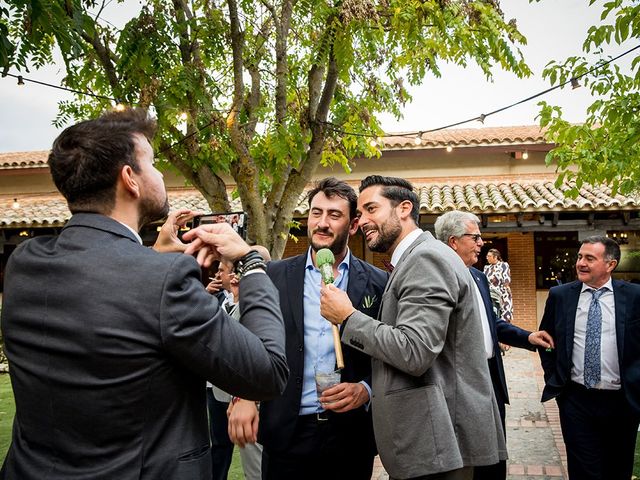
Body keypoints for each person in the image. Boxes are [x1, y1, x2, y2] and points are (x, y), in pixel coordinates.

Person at [0, 108, 288, 480]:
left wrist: (151, 259)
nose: (161, 175)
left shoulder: (24, 263)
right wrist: (251, 262)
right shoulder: (162, 279)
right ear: (130, 179)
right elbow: (267, 372)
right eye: (152, 164)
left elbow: (110, 299)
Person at [320, 175, 506, 480]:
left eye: (371, 209)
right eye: (360, 213)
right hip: (431, 443)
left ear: (404, 208)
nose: (362, 220)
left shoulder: (425, 259)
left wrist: (348, 317)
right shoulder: (413, 258)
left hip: (439, 443)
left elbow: (414, 351)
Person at [227, 177, 387, 480]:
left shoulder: (378, 283)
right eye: (316, 213)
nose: (322, 223)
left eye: (334, 215)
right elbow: (248, 341)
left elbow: (387, 353)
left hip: (350, 435)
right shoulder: (273, 276)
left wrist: (366, 390)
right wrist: (243, 397)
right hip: (286, 430)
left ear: (353, 226)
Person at [434, 210, 555, 480]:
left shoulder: (478, 277)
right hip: (460, 382)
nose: (481, 243)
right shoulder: (439, 279)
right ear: (453, 241)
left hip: (490, 379)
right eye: (475, 237)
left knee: (494, 460)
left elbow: (492, 323)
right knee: (467, 460)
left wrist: (527, 337)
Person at [538, 235, 640, 480]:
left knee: (618, 469)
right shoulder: (560, 295)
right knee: (584, 471)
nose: (580, 263)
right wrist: (555, 379)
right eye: (579, 257)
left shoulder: (635, 296)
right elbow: (545, 340)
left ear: (610, 264)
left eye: (589, 258)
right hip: (576, 400)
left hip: (622, 401)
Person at [207, 248, 270, 480]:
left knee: (257, 466)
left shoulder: (262, 303)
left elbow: (244, 341)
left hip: (254, 399)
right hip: (228, 395)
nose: (219, 276)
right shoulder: (235, 299)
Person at [484, 248, 514, 322]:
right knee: (492, 317)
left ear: (495, 257)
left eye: (489, 256)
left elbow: (507, 279)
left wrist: (506, 286)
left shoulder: (504, 265)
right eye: (487, 256)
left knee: (504, 318)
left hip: (502, 295)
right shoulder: (487, 268)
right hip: (491, 295)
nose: (487, 258)